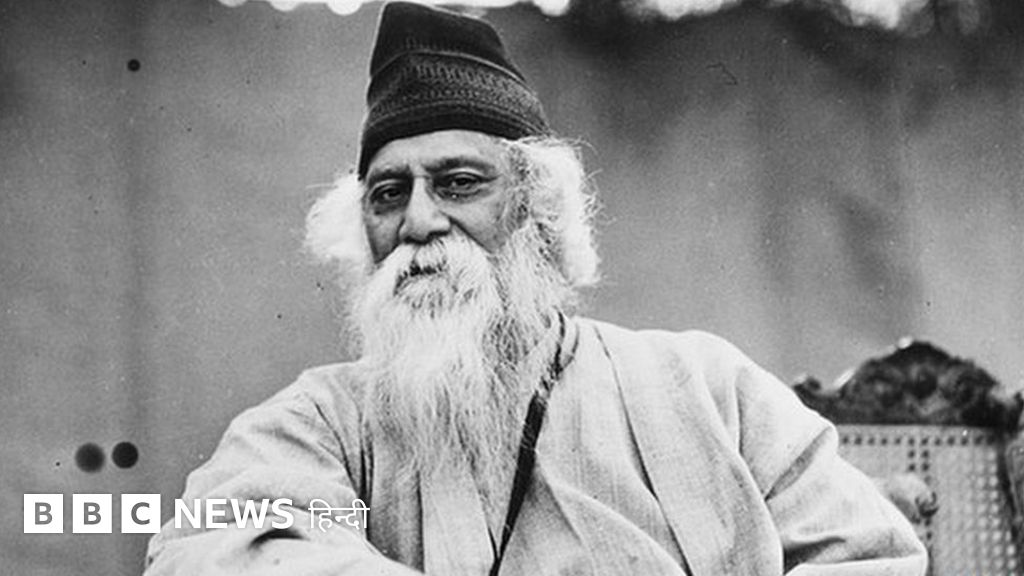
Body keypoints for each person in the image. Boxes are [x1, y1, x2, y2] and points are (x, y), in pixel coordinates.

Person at [144, 3, 927, 575]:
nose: (419, 221)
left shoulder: (703, 386)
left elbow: (870, 555)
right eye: (388, 194)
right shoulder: (324, 421)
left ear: (536, 210)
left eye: (459, 183)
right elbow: (214, 544)